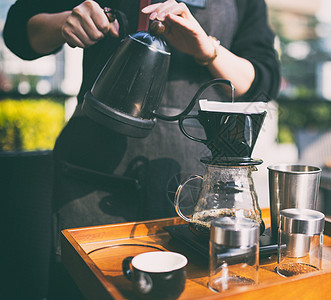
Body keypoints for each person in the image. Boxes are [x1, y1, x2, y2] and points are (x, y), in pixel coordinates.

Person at [4, 0, 280, 298]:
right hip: (91, 172)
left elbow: (264, 80)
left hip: (188, 184)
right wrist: (64, 23)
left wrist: (207, 49)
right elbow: (19, 32)